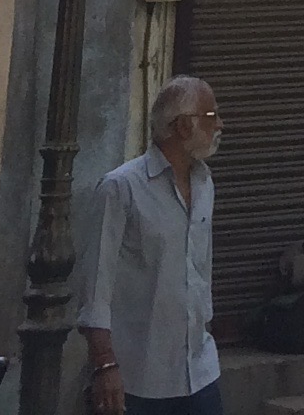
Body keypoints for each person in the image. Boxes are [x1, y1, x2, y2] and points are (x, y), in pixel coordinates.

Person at [76, 74, 223, 415]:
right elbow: (95, 288)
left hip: (200, 372)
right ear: (184, 126)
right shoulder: (120, 189)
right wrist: (105, 365)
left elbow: (201, 269)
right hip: (138, 379)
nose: (220, 125)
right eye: (211, 116)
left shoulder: (204, 185)